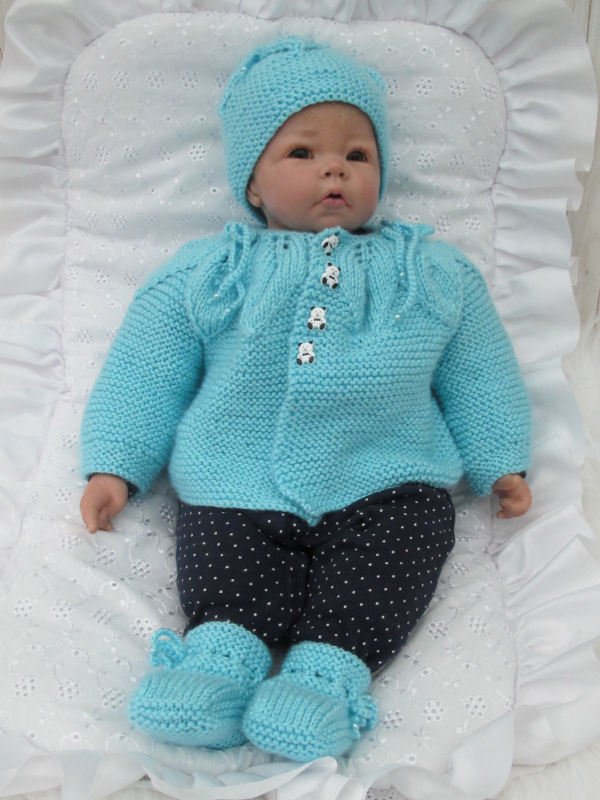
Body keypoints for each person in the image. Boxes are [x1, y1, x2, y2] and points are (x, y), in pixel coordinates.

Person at [79, 36, 532, 762]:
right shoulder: (211, 271)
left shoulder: (430, 273)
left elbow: (479, 371)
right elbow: (145, 371)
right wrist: (116, 465)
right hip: (235, 479)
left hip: (387, 480)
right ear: (253, 184)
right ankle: (219, 655)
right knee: (225, 564)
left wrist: (499, 458)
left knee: (399, 556)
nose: (335, 168)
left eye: (358, 155)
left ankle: (327, 674)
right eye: (302, 152)